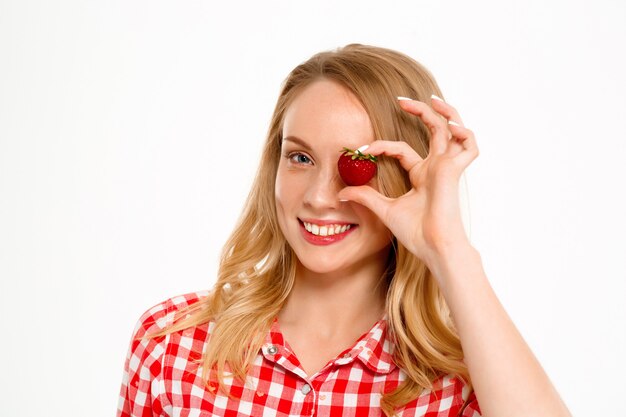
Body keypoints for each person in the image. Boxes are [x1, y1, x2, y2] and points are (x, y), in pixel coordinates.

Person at [116, 44, 571, 417]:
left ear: (408, 176)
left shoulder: (464, 382)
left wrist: (447, 246)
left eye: (358, 165)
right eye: (300, 158)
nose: (319, 196)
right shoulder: (171, 345)